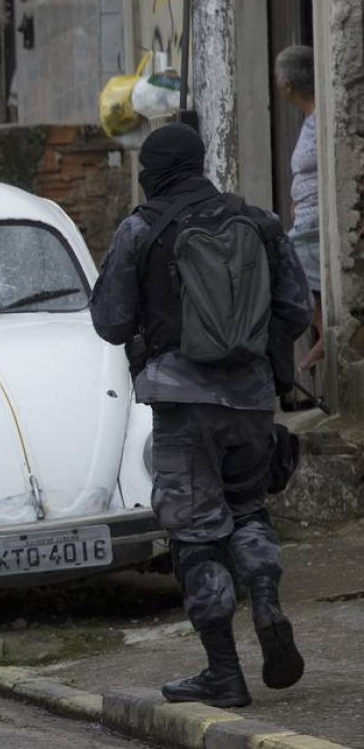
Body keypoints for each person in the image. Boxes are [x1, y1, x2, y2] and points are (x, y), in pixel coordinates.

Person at [90, 123, 312, 708]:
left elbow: (109, 322)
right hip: (252, 400)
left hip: (183, 403)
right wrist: (250, 351)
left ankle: (224, 673)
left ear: (151, 171)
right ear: (199, 163)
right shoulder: (258, 221)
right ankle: (265, 601)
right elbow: (296, 308)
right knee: (249, 508)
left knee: (195, 534)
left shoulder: (140, 228)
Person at [275, 45, 323, 373]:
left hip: (317, 220)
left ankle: (327, 335)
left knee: (287, 260)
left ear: (288, 85)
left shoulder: (324, 117)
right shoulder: (309, 119)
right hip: (306, 216)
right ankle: (324, 332)